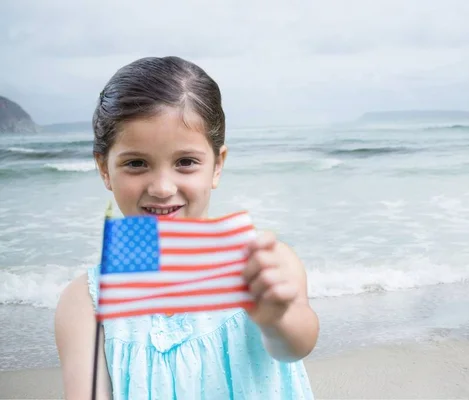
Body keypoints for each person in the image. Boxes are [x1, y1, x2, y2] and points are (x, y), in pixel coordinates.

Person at [54, 56, 319, 400]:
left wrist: (275, 320)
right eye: (136, 163)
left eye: (185, 162)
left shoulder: (264, 266)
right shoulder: (86, 302)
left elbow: (295, 347)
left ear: (217, 166)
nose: (163, 187)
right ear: (105, 169)